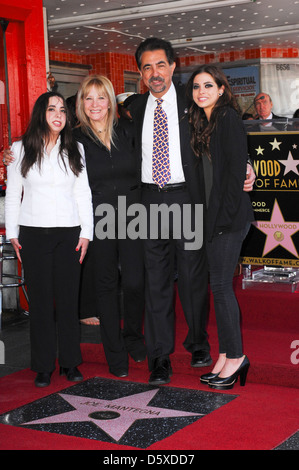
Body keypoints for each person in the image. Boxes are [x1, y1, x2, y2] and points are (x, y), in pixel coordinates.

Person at [130, 37, 256, 386]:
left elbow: (225, 139)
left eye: (160, 65)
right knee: (156, 281)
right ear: (140, 73)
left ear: (173, 66)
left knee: (193, 276)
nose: (154, 73)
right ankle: (159, 357)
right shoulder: (135, 107)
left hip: (188, 198)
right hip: (149, 201)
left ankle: (198, 342)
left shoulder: (195, 98)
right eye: (146, 67)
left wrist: (249, 166)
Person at [4, 91, 93, 388]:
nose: (58, 115)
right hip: (32, 234)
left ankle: (70, 362)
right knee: (41, 303)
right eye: (52, 109)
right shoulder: (19, 150)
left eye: (63, 111)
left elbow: (83, 194)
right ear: (41, 113)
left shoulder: (75, 148)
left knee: (69, 302)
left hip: (69, 233)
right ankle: (43, 365)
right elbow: (13, 195)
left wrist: (86, 233)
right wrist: (13, 234)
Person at [187, 65, 254, 390]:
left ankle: (237, 357)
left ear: (222, 89)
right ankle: (226, 355)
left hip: (228, 218)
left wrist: (221, 222)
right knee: (219, 287)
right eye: (197, 86)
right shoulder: (204, 121)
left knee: (223, 288)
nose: (202, 91)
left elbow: (233, 174)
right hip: (215, 218)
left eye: (208, 85)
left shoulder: (227, 119)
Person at [74, 75, 146, 377]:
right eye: (88, 98)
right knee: (105, 285)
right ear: (81, 104)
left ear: (110, 101)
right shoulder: (73, 138)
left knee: (133, 281)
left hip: (133, 213)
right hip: (97, 215)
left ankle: (132, 335)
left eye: (100, 97)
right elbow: (38, 148)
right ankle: (114, 354)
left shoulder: (128, 130)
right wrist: (10, 154)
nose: (95, 104)